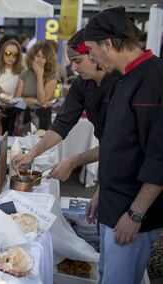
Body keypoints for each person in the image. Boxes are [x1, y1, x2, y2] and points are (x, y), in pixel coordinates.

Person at [84, 7, 163, 283]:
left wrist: (136, 213)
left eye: (91, 49)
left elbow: (159, 157)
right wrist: (101, 191)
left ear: (108, 43)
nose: (90, 57)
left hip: (130, 215)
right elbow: (117, 144)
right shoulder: (123, 76)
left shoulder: (153, 79)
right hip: (113, 204)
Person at [11, 28, 119, 223]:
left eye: (78, 60)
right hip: (111, 169)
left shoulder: (120, 84)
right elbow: (62, 123)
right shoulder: (81, 84)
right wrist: (31, 154)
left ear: (95, 54)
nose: (74, 68)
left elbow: (117, 145)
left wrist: (73, 161)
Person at [15, 42, 57, 131]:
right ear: (32, 57)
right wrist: (34, 101)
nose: (40, 59)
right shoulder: (25, 74)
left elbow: (42, 100)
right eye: (38, 55)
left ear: (48, 59)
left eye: (44, 57)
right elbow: (16, 99)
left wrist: (39, 75)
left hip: (42, 119)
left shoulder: (52, 78)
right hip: (24, 118)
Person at [0, 39, 23, 135]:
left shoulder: (21, 72)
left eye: (15, 54)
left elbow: (19, 99)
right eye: (7, 53)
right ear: (2, 53)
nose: (11, 57)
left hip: (12, 111)